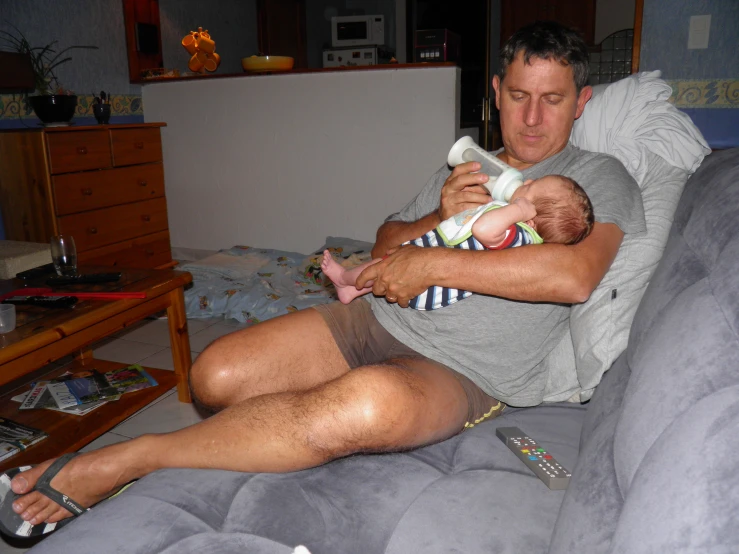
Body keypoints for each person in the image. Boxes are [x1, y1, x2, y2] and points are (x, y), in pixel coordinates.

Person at [3, 21, 645, 534]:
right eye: (518, 96)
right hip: (372, 319)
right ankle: (294, 418)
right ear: (498, 91)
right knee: (213, 374)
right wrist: (440, 211)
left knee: (368, 403)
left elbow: (575, 276)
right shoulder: (472, 164)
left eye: (553, 100)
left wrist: (434, 262)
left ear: (582, 102)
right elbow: (387, 242)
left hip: (466, 370)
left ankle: (131, 460)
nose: (531, 119)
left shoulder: (599, 176)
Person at [323, 174, 594, 308]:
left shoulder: (518, 234)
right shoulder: (513, 224)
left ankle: (346, 277)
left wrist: (518, 210)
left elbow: (483, 229)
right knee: (382, 265)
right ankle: (352, 291)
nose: (528, 180)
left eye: (531, 189)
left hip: (425, 286)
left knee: (381, 266)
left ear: (531, 219)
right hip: (422, 264)